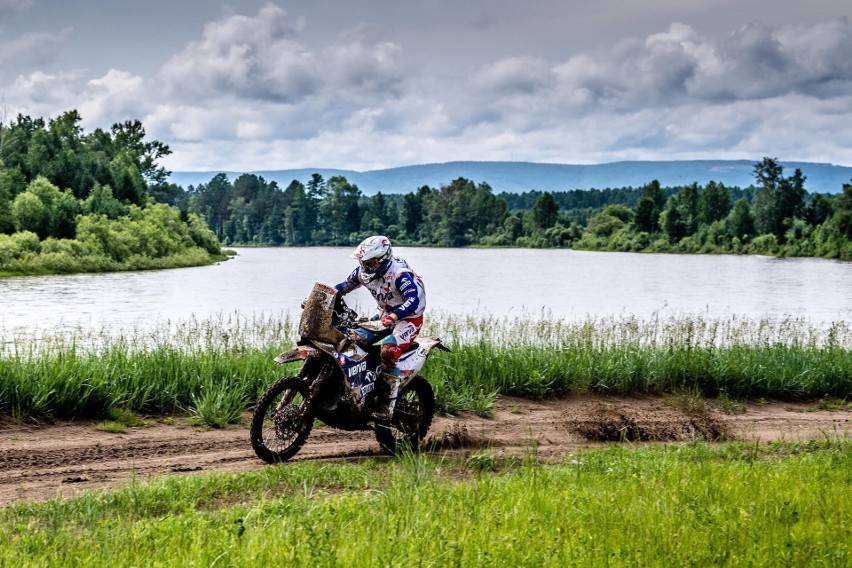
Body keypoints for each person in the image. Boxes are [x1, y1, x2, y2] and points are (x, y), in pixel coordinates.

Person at [335, 235, 426, 420]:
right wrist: (322, 297)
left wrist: (393, 317)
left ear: (382, 259)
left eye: (370, 262)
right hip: (385, 315)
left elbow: (412, 299)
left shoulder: (400, 274)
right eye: (364, 262)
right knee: (353, 337)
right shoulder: (362, 272)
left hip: (408, 318)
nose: (366, 266)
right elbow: (343, 287)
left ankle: (388, 403)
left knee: (389, 350)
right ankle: (363, 385)